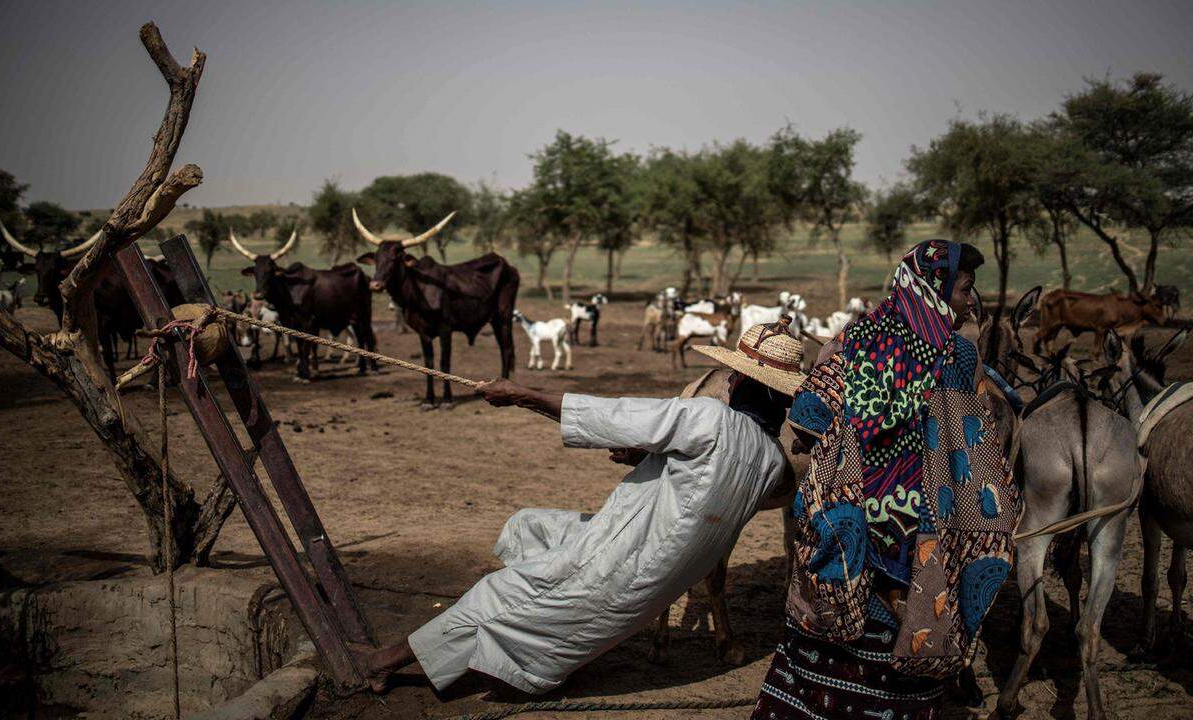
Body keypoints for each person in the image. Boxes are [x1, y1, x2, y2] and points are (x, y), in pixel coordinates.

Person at [363, 317, 809, 695]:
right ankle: (534, 629)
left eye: (731, 374)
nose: (727, 379)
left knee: (499, 595)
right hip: (655, 572)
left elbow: (612, 417)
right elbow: (705, 483)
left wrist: (522, 395)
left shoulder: (709, 417)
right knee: (530, 527)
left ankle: (383, 663)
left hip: (620, 557)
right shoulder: (771, 461)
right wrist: (647, 457)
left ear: (739, 380)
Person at [752, 240, 1020, 720]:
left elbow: (809, 418)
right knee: (909, 636)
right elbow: (975, 445)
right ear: (936, 290)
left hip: (848, 519)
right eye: (964, 289)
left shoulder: (855, 337)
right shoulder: (956, 355)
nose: (968, 301)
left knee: (825, 631)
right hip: (921, 530)